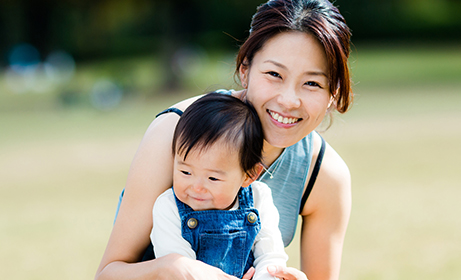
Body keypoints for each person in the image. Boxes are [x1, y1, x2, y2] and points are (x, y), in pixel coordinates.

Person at [95, 0, 353, 279]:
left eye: (312, 83)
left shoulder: (324, 174)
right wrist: (169, 268)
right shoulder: (176, 131)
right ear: (245, 69)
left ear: (333, 93)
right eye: (274, 74)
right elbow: (109, 274)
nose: (289, 101)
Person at [151, 92, 287, 280]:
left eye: (213, 178)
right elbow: (181, 270)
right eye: (185, 172)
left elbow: (271, 257)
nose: (197, 187)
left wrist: (266, 276)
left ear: (249, 175)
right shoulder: (168, 207)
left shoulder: (258, 198)